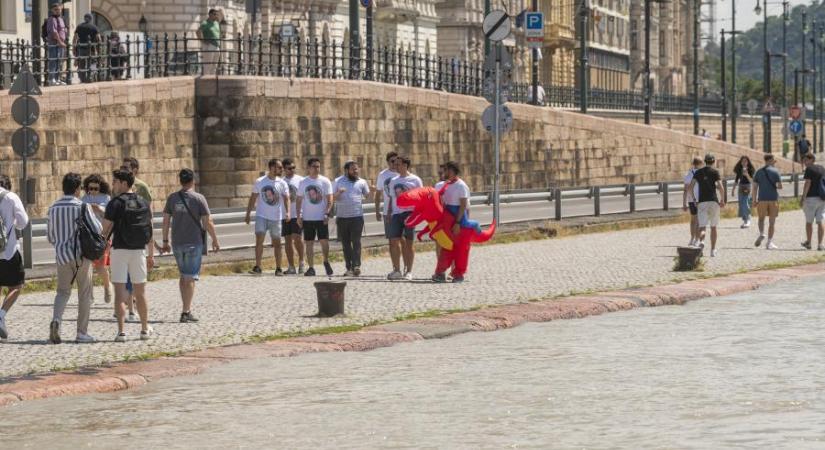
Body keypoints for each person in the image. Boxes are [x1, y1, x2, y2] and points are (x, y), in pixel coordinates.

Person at [47, 173, 102, 344]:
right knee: (84, 293)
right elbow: (98, 228)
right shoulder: (81, 206)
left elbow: (50, 236)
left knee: (62, 292)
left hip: (62, 256)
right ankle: (81, 332)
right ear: (78, 189)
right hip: (80, 256)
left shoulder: (53, 207)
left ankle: (56, 320)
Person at [102, 169, 155, 342]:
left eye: (115, 181)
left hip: (119, 250)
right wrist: (150, 254)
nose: (113, 185)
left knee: (120, 293)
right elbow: (150, 229)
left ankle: (121, 332)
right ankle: (145, 329)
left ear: (124, 183)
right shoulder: (143, 203)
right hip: (139, 251)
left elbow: (105, 229)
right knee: (141, 293)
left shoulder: (115, 203)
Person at [161, 169, 219, 323]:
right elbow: (208, 222)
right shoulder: (199, 198)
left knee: (183, 276)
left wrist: (165, 241)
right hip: (193, 242)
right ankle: (186, 311)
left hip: (177, 243)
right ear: (193, 181)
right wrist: (215, 239)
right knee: (190, 277)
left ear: (180, 180)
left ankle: (185, 307)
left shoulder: (172, 198)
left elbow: (166, 220)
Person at [432, 161, 476, 283]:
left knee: (459, 248)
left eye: (447, 170)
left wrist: (458, 223)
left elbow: (463, 206)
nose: (444, 173)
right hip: (448, 218)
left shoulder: (461, 186)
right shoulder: (445, 185)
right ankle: (440, 273)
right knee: (446, 246)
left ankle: (458, 274)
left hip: (458, 219)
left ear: (453, 171)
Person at [245, 159, 290, 275]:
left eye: (281, 167)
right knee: (259, 240)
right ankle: (258, 267)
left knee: (277, 243)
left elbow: (287, 199)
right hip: (262, 215)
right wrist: (248, 214)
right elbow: (253, 198)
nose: (281, 169)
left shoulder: (282, 183)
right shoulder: (260, 181)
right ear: (271, 168)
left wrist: (288, 212)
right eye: (279, 167)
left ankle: (278, 268)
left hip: (276, 217)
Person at [121, 158, 152, 321]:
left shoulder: (142, 187)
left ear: (135, 170)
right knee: (123, 276)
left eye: (126, 167)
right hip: (122, 237)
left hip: (138, 236)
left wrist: (151, 241)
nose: (123, 169)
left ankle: (134, 307)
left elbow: (149, 213)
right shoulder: (119, 185)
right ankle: (129, 307)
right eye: (122, 167)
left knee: (136, 277)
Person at [0, 175, 29, 340]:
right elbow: (23, 222)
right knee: (17, 286)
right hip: (9, 250)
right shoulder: (10, 197)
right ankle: (1, 315)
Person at [387, 155, 423, 280]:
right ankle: (396, 270)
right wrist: (390, 213)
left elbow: (421, 198)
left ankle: (409, 271)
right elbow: (392, 199)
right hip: (396, 214)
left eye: (398, 164)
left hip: (410, 213)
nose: (395, 166)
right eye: (394, 164)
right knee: (393, 241)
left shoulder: (415, 180)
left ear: (405, 165)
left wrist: (417, 214)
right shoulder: (393, 180)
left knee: (408, 242)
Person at [296, 158, 334, 277]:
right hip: (308, 218)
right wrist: (298, 216)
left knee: (324, 241)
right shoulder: (303, 182)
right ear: (308, 167)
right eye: (314, 166)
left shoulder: (325, 181)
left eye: (318, 166)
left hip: (321, 217)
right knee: (309, 243)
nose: (316, 168)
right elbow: (298, 199)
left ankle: (326, 261)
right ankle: (311, 267)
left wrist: (327, 213)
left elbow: (330, 198)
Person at [333, 161, 370, 276]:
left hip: (357, 217)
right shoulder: (337, 181)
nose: (356, 171)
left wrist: (371, 191)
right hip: (342, 218)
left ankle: (356, 266)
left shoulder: (362, 182)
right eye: (353, 169)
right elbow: (332, 198)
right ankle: (349, 268)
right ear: (346, 170)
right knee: (346, 244)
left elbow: (367, 195)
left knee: (356, 242)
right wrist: (339, 192)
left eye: (357, 169)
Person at [686, 153, 726, 257]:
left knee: (702, 227)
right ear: (713, 162)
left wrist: (694, 199)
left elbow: (690, 188)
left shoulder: (698, 172)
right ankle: (713, 250)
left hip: (702, 201)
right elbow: (721, 187)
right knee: (713, 227)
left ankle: (702, 241)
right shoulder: (715, 172)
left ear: (705, 161)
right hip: (713, 201)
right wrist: (722, 200)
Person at [82, 174, 112, 303]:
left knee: (101, 267)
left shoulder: (106, 198)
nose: (93, 191)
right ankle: (90, 295)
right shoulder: (84, 199)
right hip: (87, 236)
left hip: (102, 236)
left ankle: (107, 286)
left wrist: (99, 208)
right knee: (87, 267)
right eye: (90, 188)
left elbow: (111, 215)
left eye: (96, 188)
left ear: (101, 188)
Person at [752, 154, 783, 250]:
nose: (775, 162)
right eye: (774, 160)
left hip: (762, 199)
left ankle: (762, 233)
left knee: (761, 219)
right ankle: (769, 243)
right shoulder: (775, 171)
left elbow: (755, 187)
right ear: (770, 160)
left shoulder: (758, 172)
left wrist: (754, 200)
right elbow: (780, 186)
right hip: (773, 199)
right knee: (772, 222)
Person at [281, 158, 305, 274]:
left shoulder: (301, 180)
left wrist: (303, 213)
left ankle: (301, 262)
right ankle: (291, 266)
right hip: (286, 214)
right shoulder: (281, 181)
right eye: (290, 168)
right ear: (284, 169)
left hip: (297, 213)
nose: (292, 170)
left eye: (294, 168)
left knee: (297, 238)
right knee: (287, 240)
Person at [800, 153, 825, 251]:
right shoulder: (822, 168)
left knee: (809, 222)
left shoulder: (809, 169)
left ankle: (809, 243)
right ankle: (820, 244)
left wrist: (803, 198)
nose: (804, 162)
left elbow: (807, 184)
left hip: (811, 198)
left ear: (811, 160)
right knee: (820, 221)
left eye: (806, 160)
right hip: (822, 198)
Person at [375, 151, 399, 243]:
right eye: (392, 161)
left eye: (396, 161)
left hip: (402, 211)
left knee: (403, 239)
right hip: (388, 212)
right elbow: (378, 194)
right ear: (388, 162)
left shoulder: (403, 173)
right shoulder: (382, 175)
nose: (394, 163)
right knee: (392, 240)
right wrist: (377, 211)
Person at [73, 13, 100, 83]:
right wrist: (98, 48)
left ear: (84, 18)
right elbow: (99, 39)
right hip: (91, 49)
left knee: (81, 65)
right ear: (91, 19)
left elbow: (75, 38)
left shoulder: (79, 26)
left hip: (81, 48)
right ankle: (90, 77)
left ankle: (82, 79)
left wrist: (74, 48)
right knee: (92, 63)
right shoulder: (94, 27)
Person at [682, 157, 703, 247]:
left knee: (693, 220)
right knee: (698, 221)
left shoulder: (688, 174)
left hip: (691, 200)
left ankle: (692, 238)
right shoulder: (702, 174)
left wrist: (684, 203)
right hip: (699, 199)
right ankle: (697, 239)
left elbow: (685, 190)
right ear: (700, 164)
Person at [45, 2, 67, 86]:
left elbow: (63, 29)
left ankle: (58, 78)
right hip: (54, 43)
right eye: (56, 10)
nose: (58, 11)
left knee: (60, 62)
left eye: (59, 9)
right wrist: (60, 41)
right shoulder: (51, 19)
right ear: (52, 10)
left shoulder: (61, 19)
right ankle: (52, 79)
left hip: (61, 44)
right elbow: (54, 32)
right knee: (53, 61)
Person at [732, 156, 754, 228]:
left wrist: (747, 174)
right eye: (743, 161)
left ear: (748, 162)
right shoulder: (739, 170)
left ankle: (748, 219)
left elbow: (751, 181)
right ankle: (745, 220)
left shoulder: (750, 169)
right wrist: (733, 190)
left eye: (745, 161)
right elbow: (736, 180)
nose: (744, 163)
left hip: (747, 186)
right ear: (741, 162)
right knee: (741, 204)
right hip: (741, 186)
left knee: (745, 202)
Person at [197, 9, 222, 75]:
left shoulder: (216, 23)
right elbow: (198, 31)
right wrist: (203, 41)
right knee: (208, 65)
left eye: (217, 14)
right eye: (214, 14)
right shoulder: (205, 23)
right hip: (209, 46)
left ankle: (212, 80)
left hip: (217, 46)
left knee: (214, 66)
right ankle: (206, 80)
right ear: (210, 14)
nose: (216, 16)